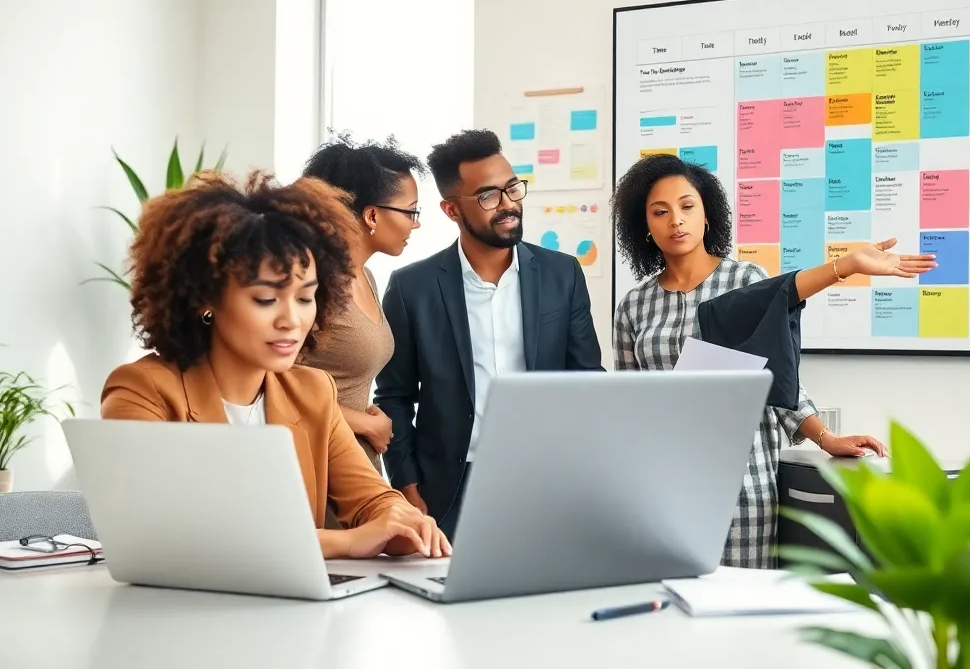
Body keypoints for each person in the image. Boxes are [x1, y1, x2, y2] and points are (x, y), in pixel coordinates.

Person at [101, 170, 450, 560]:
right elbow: (167, 531)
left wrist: (402, 524)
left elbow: (371, 499)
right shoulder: (141, 390)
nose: (291, 320)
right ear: (205, 299)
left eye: (305, 298)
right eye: (266, 299)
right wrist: (347, 542)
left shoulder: (312, 391)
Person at [611, 154, 936, 569]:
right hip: (660, 488)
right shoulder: (634, 305)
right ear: (646, 226)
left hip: (741, 483)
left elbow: (778, 379)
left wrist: (826, 437)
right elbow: (627, 403)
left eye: (687, 206)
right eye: (661, 212)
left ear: (707, 213)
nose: (676, 220)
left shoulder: (744, 281)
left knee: (741, 613)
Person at [374, 128, 603, 538]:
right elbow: (394, 395)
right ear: (451, 210)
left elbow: (587, 379)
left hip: (547, 479)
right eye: (488, 196)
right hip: (450, 487)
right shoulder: (413, 288)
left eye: (513, 188)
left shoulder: (561, 274)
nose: (509, 205)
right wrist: (406, 484)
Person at [297, 134, 426, 480]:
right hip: (313, 465)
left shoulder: (366, 276)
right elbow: (270, 383)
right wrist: (364, 424)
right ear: (371, 215)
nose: (416, 223)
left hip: (356, 466)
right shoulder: (311, 283)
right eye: (411, 211)